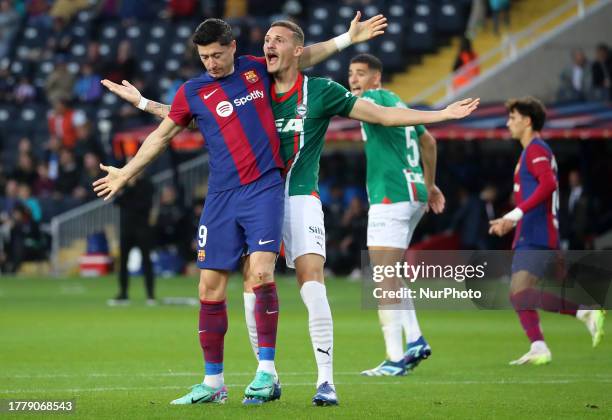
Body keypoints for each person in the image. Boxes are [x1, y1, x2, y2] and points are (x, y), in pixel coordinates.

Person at [101, 19, 478, 405]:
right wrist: (143, 108)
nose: (212, 63)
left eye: (277, 41)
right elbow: (192, 116)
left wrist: (439, 112)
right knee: (234, 286)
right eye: (266, 40)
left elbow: (351, 91)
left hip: (288, 194)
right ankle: (248, 379)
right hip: (235, 196)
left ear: (236, 48)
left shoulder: (292, 82)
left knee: (297, 281)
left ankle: (321, 380)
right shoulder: (231, 81)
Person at [347, 53, 447, 376]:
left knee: (382, 277)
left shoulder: (373, 99)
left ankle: (394, 359)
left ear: (376, 78)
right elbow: (428, 142)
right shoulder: (398, 101)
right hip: (415, 193)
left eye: (361, 74)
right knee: (391, 272)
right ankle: (415, 339)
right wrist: (430, 185)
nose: (354, 80)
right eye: (351, 74)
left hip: (390, 195)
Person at [489, 97, 605, 365]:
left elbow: (549, 184)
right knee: (519, 293)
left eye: (513, 118)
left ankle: (583, 313)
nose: (508, 123)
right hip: (529, 231)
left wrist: (515, 214)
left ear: (527, 121)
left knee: (520, 292)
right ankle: (539, 345)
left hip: (537, 232)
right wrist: (513, 219)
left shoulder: (536, 149)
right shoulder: (529, 151)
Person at [108, 173, 155, 306]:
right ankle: (123, 293)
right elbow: (116, 202)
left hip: (142, 230)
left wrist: (131, 189)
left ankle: (150, 294)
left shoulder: (147, 185)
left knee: (147, 262)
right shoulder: (124, 184)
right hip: (126, 230)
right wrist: (129, 187)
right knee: (123, 262)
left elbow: (144, 205)